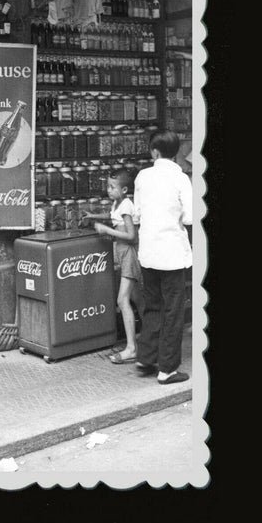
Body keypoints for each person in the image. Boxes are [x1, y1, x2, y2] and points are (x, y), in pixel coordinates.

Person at [133, 129, 193, 385]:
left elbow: (136, 215)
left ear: (154, 151)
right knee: (173, 310)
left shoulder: (142, 177)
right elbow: (190, 217)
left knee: (153, 305)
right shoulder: (181, 179)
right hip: (172, 254)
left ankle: (145, 357)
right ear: (175, 152)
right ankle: (167, 369)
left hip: (148, 252)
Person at [84, 169, 142, 364]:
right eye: (107, 186)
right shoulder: (118, 203)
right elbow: (112, 215)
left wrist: (106, 230)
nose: (108, 190)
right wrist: (93, 216)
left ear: (124, 189)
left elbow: (132, 236)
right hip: (122, 253)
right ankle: (150, 336)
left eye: (112, 187)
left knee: (122, 300)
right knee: (137, 299)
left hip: (128, 254)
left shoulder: (126, 205)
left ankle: (132, 348)